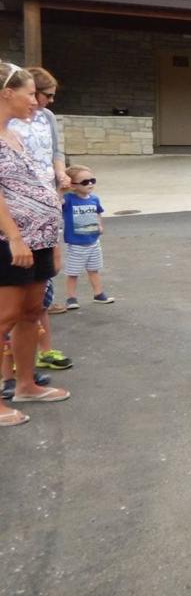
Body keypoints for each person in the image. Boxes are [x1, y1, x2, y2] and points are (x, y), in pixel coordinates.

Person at [0, 63, 69, 427]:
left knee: (30, 312)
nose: (35, 101)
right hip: (10, 241)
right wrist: (14, 237)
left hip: (39, 238)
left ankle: (26, 385)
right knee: (5, 316)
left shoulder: (15, 133)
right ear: (7, 93)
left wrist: (51, 237)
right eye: (30, 93)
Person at [61, 164, 115, 308]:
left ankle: (98, 293)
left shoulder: (94, 199)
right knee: (73, 272)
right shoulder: (68, 199)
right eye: (85, 182)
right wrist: (62, 188)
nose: (90, 184)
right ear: (73, 185)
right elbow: (57, 200)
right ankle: (71, 297)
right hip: (76, 244)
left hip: (93, 241)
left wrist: (100, 225)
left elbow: (98, 213)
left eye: (92, 180)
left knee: (94, 269)